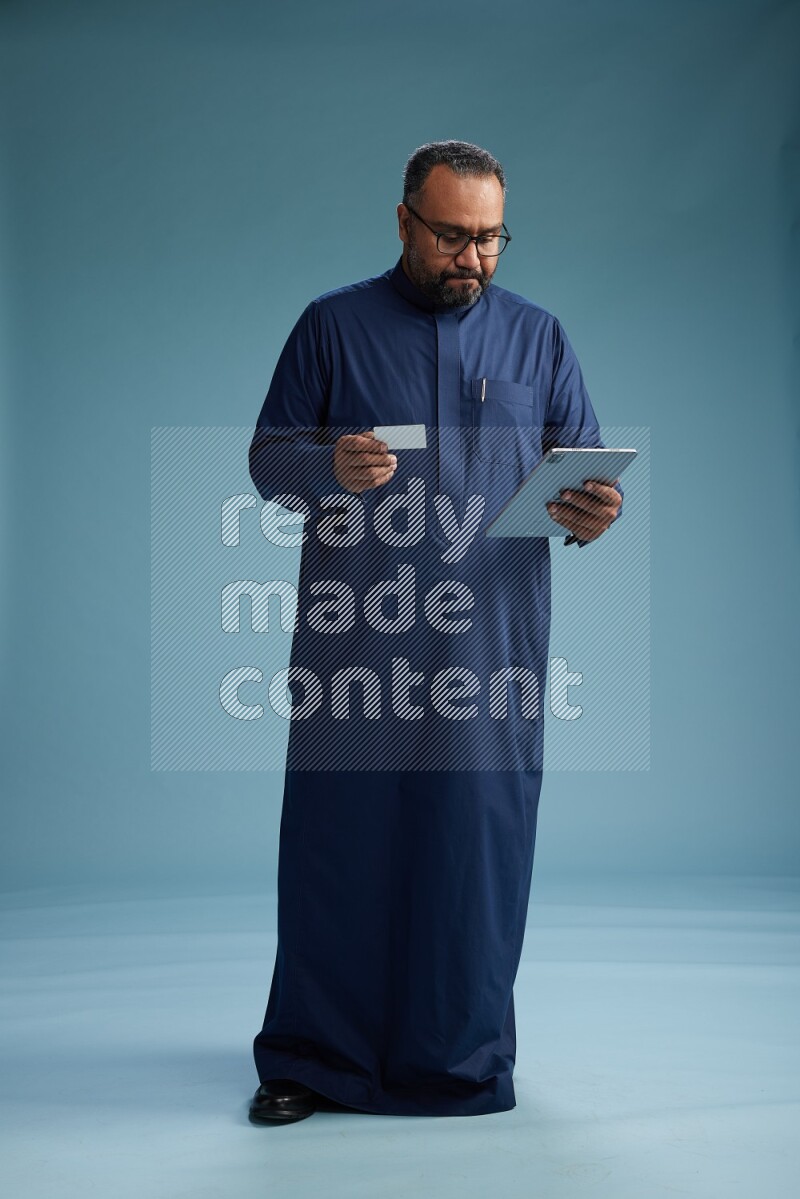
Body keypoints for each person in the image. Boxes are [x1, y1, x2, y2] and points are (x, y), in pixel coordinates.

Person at [247, 140, 622, 1124]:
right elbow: (268, 458)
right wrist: (325, 465)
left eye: (490, 238)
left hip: (488, 656)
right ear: (404, 220)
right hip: (356, 649)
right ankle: (311, 1057)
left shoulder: (537, 339)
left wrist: (592, 513)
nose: (472, 257)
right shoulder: (332, 327)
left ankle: (460, 1059)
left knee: (471, 856)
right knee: (339, 848)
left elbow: (580, 470)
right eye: (453, 235)